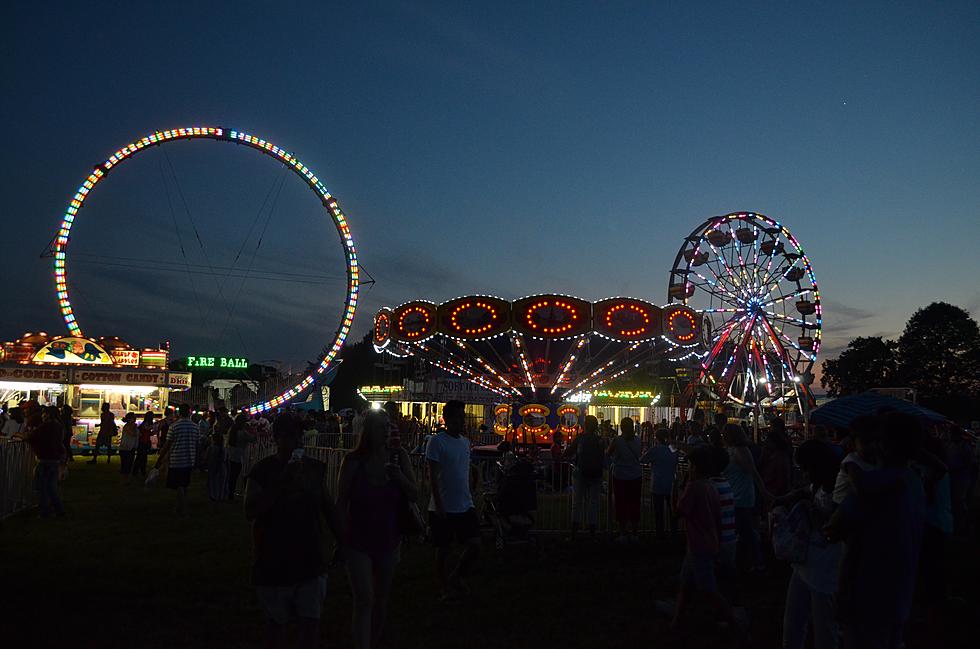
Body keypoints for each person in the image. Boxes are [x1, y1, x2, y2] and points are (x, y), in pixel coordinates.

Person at [826, 412, 927, 649]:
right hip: (900, 590)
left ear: (881, 445)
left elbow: (837, 535)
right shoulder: (914, 482)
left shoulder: (870, 487)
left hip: (865, 594)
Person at [245, 412, 342, 649]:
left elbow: (328, 508)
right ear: (277, 438)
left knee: (310, 625)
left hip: (311, 559)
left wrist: (342, 540)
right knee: (276, 627)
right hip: (274, 561)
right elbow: (251, 510)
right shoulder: (263, 471)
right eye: (290, 436)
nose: (297, 441)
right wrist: (282, 481)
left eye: (299, 436)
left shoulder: (315, 469)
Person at [337, 410, 417, 649]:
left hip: (389, 539)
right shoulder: (353, 462)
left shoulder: (398, 457)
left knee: (381, 599)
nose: (385, 431)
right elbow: (341, 502)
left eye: (387, 426)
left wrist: (399, 477)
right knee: (365, 600)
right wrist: (339, 538)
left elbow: (414, 494)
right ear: (368, 431)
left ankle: (373, 640)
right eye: (380, 427)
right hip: (358, 539)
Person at [778, 440, 843, 649]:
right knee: (793, 623)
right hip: (806, 564)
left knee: (824, 630)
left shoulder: (841, 494)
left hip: (826, 571)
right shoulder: (817, 486)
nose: (804, 474)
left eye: (806, 469)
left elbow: (832, 530)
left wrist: (809, 510)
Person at [669, 446, 742, 633]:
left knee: (707, 588)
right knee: (686, 584)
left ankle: (733, 621)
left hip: (698, 546)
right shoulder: (711, 486)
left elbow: (678, 512)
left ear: (695, 467)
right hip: (708, 541)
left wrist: (675, 492)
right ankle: (677, 620)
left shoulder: (694, 488)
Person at [426, 400, 479, 599]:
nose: (461, 421)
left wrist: (472, 486)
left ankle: (457, 576)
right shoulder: (437, 441)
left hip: (464, 504)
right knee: (444, 549)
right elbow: (432, 475)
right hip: (444, 505)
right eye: (457, 417)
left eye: (462, 417)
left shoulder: (465, 442)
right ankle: (444, 586)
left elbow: (465, 468)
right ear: (447, 419)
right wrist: (438, 503)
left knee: (475, 544)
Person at [722, 423, 771, 572]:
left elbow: (753, 473)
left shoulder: (742, 451)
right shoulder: (731, 450)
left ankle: (757, 562)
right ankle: (747, 560)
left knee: (746, 530)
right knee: (742, 530)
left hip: (741, 495)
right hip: (734, 493)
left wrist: (763, 492)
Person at [564, 415, 604, 540]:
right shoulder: (600, 440)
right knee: (593, 503)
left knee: (577, 503)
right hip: (596, 474)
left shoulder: (580, 438)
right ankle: (592, 531)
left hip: (580, 473)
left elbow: (568, 452)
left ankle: (574, 532)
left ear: (585, 425)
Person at [156, 404, 199, 515]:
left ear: (179, 413)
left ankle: (181, 506)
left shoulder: (174, 426)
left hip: (176, 459)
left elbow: (168, 444)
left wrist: (160, 458)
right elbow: (197, 444)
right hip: (189, 458)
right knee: (185, 484)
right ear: (189, 412)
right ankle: (183, 504)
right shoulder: (195, 427)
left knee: (179, 485)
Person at [25, 406, 66, 517]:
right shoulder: (59, 426)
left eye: (44, 413)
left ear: (47, 414)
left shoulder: (45, 426)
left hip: (45, 458)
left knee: (42, 486)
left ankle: (45, 511)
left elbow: (31, 437)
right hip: (55, 458)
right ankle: (58, 508)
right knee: (51, 486)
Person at [607, 417, 642, 542]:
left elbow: (608, 453)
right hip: (636, 475)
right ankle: (635, 533)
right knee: (634, 503)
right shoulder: (638, 440)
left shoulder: (617, 441)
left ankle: (622, 532)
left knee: (621, 503)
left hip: (620, 475)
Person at [832, 415, 880, 504]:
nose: (872, 446)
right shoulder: (852, 462)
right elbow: (860, 491)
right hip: (841, 505)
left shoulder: (876, 459)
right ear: (853, 444)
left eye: (876, 441)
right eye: (866, 442)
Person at [642, 428, 679, 539]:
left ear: (656, 438)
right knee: (672, 511)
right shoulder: (672, 449)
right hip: (670, 483)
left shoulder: (655, 449)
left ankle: (660, 534)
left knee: (658, 512)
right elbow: (675, 459)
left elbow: (643, 460)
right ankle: (673, 532)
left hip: (657, 483)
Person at [759, 418, 793, 498]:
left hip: (772, 479)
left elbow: (762, 459)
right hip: (781, 477)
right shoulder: (786, 439)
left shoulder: (773, 440)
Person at [227, 413, 254, 500]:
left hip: (231, 455)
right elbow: (254, 439)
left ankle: (230, 493)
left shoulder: (232, 430)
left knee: (232, 476)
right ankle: (238, 493)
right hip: (240, 457)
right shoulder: (243, 433)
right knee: (239, 476)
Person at [118, 412, 139, 483]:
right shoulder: (127, 426)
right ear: (130, 419)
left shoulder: (133, 426)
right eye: (134, 417)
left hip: (131, 447)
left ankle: (126, 480)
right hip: (125, 448)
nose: (135, 419)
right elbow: (132, 434)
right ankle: (124, 480)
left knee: (129, 465)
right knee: (125, 465)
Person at [134, 412, 154, 478]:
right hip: (143, 442)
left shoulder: (145, 423)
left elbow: (148, 432)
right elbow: (146, 429)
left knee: (141, 457)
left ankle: (139, 471)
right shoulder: (145, 424)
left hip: (144, 442)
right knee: (141, 457)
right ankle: (139, 471)